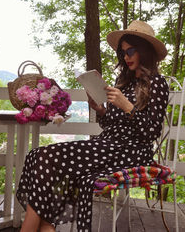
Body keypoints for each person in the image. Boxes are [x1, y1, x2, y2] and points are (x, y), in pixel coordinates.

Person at [16, 20, 169, 232]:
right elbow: (111, 125)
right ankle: (45, 228)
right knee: (38, 155)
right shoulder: (122, 81)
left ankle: (36, 228)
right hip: (109, 145)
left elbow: (152, 132)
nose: (126, 57)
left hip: (133, 151)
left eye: (131, 50)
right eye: (122, 52)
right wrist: (101, 110)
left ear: (144, 50)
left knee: (45, 156)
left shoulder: (158, 84)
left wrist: (128, 106)